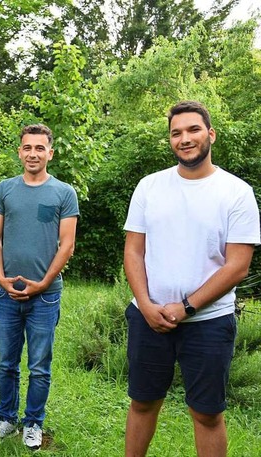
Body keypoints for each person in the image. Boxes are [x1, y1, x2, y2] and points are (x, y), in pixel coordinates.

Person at [123, 101, 260, 456]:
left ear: (210, 134)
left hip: (209, 322)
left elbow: (237, 266)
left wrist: (185, 307)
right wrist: (147, 306)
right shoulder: (150, 186)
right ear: (170, 140)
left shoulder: (236, 193)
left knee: (207, 413)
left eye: (193, 130)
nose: (185, 139)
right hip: (147, 318)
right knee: (142, 403)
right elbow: (134, 252)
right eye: (176, 133)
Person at [0, 124, 79, 450]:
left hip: (46, 296)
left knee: (39, 365)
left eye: (40, 148)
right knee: (6, 362)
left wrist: (44, 283)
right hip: (7, 293)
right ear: (20, 152)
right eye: (27, 148)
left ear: (50, 153)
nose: (33, 154)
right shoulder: (5, 190)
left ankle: (33, 423)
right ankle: (7, 418)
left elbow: (67, 245)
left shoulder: (64, 193)